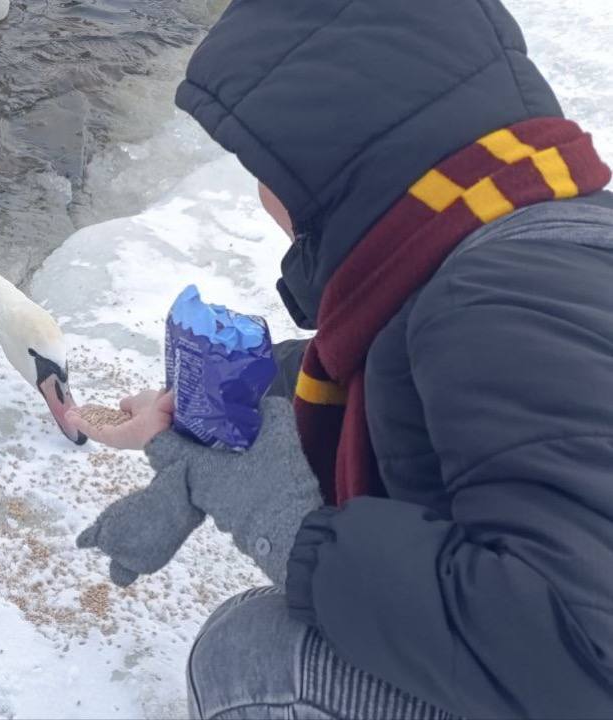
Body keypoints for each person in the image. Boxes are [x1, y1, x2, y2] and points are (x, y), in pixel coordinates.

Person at [68, 0, 613, 718]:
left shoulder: (490, 303)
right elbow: (420, 388)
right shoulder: (523, 236)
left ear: (337, 151)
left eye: (267, 164)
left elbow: (584, 653)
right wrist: (254, 390)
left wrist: (291, 525)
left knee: (253, 657)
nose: (266, 194)